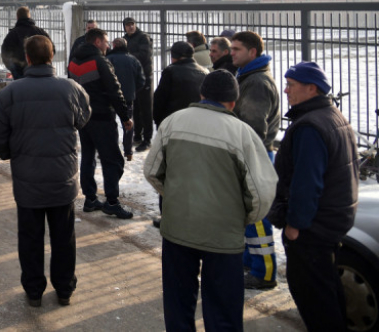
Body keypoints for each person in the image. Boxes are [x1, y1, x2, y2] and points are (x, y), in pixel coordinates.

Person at [144, 70, 278, 331]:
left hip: (178, 230)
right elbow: (261, 193)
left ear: (202, 94)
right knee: (223, 311)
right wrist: (242, 217)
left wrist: (175, 198)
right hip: (223, 237)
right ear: (233, 101)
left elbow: (152, 171)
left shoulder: (172, 122)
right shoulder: (243, 134)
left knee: (178, 303)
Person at [0, 35, 91, 307]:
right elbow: (83, 119)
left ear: (28, 58)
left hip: (28, 179)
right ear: (51, 56)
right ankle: (64, 289)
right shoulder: (71, 88)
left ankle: (34, 290)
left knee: (30, 238)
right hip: (63, 178)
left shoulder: (10, 92)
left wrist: (13, 154)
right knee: (63, 238)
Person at [268, 62, 357, 331]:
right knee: (327, 291)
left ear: (311, 88)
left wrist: (295, 224)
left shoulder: (310, 126)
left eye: (291, 86)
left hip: (312, 228)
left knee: (314, 299)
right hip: (332, 220)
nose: (285, 90)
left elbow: (307, 182)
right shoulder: (332, 116)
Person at [229, 30, 281, 289]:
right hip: (253, 155)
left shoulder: (256, 82)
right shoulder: (250, 77)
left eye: (237, 49)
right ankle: (250, 263)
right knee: (249, 216)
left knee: (258, 217)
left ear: (253, 52)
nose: (232, 52)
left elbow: (252, 129)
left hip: (255, 156)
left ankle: (264, 273)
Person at [68, 28, 134, 219]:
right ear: (97, 42)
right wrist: (125, 116)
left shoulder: (73, 62)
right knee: (113, 160)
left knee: (88, 157)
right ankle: (112, 202)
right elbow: (114, 90)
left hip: (83, 120)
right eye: (105, 41)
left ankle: (90, 199)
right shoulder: (100, 62)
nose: (108, 45)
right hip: (102, 118)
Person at [105, 37, 145, 162]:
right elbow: (141, 80)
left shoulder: (107, 60)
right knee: (127, 123)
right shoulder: (133, 60)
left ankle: (112, 149)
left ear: (113, 46)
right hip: (127, 97)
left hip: (110, 97)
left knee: (111, 123)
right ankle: (128, 151)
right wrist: (132, 90)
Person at [152, 42, 208, 129]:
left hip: (172, 120)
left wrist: (157, 119)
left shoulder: (170, 71)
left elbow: (160, 98)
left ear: (175, 56)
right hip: (196, 122)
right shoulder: (205, 72)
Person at [123, 18, 154, 153]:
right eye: (128, 25)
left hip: (145, 77)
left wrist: (127, 56)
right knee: (135, 108)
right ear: (124, 27)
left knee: (146, 108)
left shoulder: (143, 38)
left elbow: (144, 55)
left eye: (132, 25)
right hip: (133, 78)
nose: (130, 27)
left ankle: (147, 139)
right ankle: (137, 135)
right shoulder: (125, 39)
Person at [1, 6, 51, 81]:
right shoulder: (40, 32)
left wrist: (14, 70)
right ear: (29, 16)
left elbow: (5, 54)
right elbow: (52, 49)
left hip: (20, 74)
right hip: (42, 74)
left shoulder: (12, 34)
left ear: (17, 17)